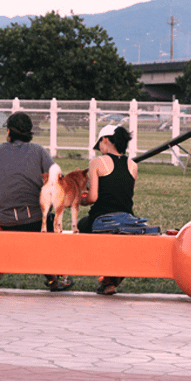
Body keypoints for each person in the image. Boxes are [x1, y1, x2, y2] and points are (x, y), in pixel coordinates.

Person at [0, 111, 73, 291]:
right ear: (29, 133)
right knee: (51, 223)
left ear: (9, 131)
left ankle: (53, 279)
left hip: (5, 221)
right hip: (34, 221)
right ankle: (56, 277)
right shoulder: (38, 151)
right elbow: (57, 180)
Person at [77, 125, 138, 295]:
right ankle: (110, 281)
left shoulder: (98, 162)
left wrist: (79, 199)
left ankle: (105, 274)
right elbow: (124, 194)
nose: (100, 149)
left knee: (82, 225)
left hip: (101, 218)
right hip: (127, 219)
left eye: (100, 145)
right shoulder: (133, 165)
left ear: (105, 140)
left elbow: (93, 197)